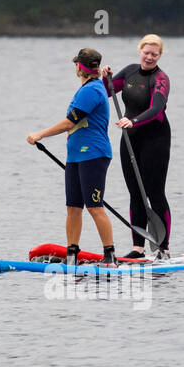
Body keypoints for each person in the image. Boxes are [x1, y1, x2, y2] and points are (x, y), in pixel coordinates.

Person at [26, 47, 117, 266]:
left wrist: (40, 134)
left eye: (77, 63)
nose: (75, 67)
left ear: (81, 67)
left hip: (93, 155)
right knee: (73, 207)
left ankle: (110, 256)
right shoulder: (89, 87)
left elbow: (69, 122)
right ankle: (71, 256)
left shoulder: (92, 91)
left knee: (94, 207)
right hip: (76, 157)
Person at [101, 33, 172, 259]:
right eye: (146, 52)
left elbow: (157, 108)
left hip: (156, 139)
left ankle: (164, 248)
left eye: (154, 54)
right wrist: (105, 78)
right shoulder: (131, 70)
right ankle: (138, 248)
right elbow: (106, 90)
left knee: (154, 193)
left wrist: (134, 121)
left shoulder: (160, 79)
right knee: (135, 193)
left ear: (160, 55)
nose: (149, 57)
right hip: (130, 138)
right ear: (140, 51)